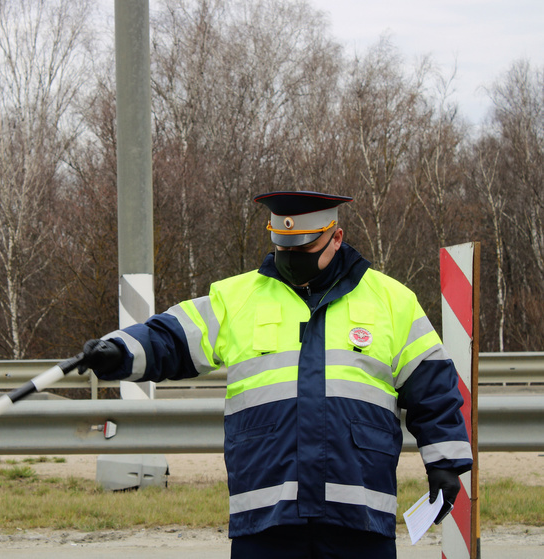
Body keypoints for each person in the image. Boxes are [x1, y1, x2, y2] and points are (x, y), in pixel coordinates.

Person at [80, 191, 473, 558]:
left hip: (360, 511)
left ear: (336, 238)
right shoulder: (238, 298)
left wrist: (444, 462)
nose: (290, 256)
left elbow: (431, 386)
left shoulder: (391, 301)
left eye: (302, 248)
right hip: (266, 511)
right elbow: (171, 338)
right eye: (282, 247)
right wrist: (119, 349)